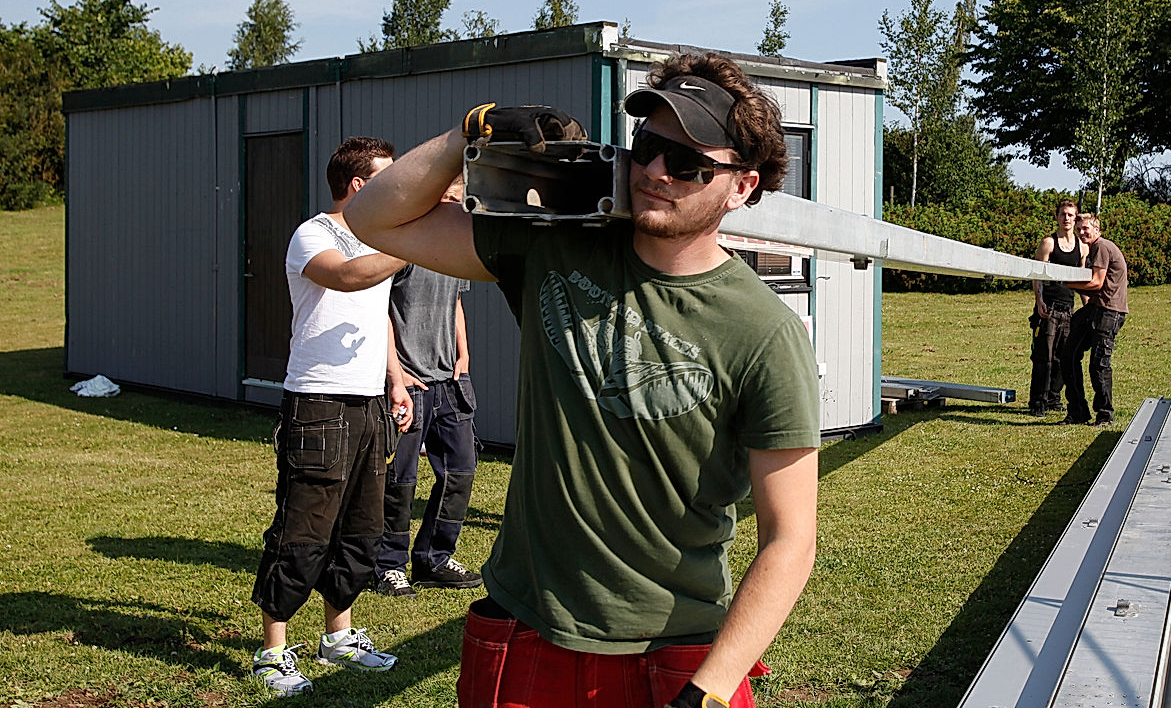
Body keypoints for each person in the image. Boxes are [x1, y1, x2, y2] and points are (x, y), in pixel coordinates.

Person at [346, 52, 821, 708]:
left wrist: (710, 688)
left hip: (675, 646)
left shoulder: (765, 332)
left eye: (688, 164)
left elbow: (791, 538)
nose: (656, 173)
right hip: (528, 626)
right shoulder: (554, 245)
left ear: (742, 186)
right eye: (649, 147)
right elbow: (373, 219)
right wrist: (468, 134)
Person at [249, 136, 414, 696]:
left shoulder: (380, 239)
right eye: (388, 179)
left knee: (363, 530)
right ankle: (272, 651)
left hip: (368, 403)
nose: (398, 189)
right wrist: (413, 243)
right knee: (304, 530)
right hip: (318, 402)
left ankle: (337, 636)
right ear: (359, 185)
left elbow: (378, 312)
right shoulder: (313, 234)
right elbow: (347, 278)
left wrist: (395, 377)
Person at [375, 176, 483, 597]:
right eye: (446, 198)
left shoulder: (452, 250)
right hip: (410, 383)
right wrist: (395, 374)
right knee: (400, 480)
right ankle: (388, 565)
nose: (453, 206)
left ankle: (434, 559)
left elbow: (455, 303)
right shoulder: (401, 248)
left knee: (460, 471)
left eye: (458, 199)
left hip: (450, 381)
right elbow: (378, 311)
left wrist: (464, 355)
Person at [1062, 213, 1128, 427]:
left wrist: (1066, 283)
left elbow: (1097, 283)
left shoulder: (1101, 247)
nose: (1081, 232)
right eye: (1079, 229)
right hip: (1095, 308)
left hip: (1110, 311)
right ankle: (1077, 412)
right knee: (1068, 356)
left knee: (1099, 364)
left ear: (1097, 230)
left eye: (1085, 229)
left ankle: (1105, 414)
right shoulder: (1092, 250)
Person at [1028, 200, 1087, 418]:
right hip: (1048, 307)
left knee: (1065, 357)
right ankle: (1038, 402)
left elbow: (1083, 280)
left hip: (1068, 308)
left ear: (1076, 217)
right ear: (1057, 217)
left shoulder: (1082, 247)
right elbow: (1037, 274)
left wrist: (1087, 305)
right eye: (1063, 214)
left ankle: (1054, 397)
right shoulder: (1048, 243)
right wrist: (1039, 300)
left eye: (1071, 215)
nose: (1067, 218)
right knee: (1044, 356)